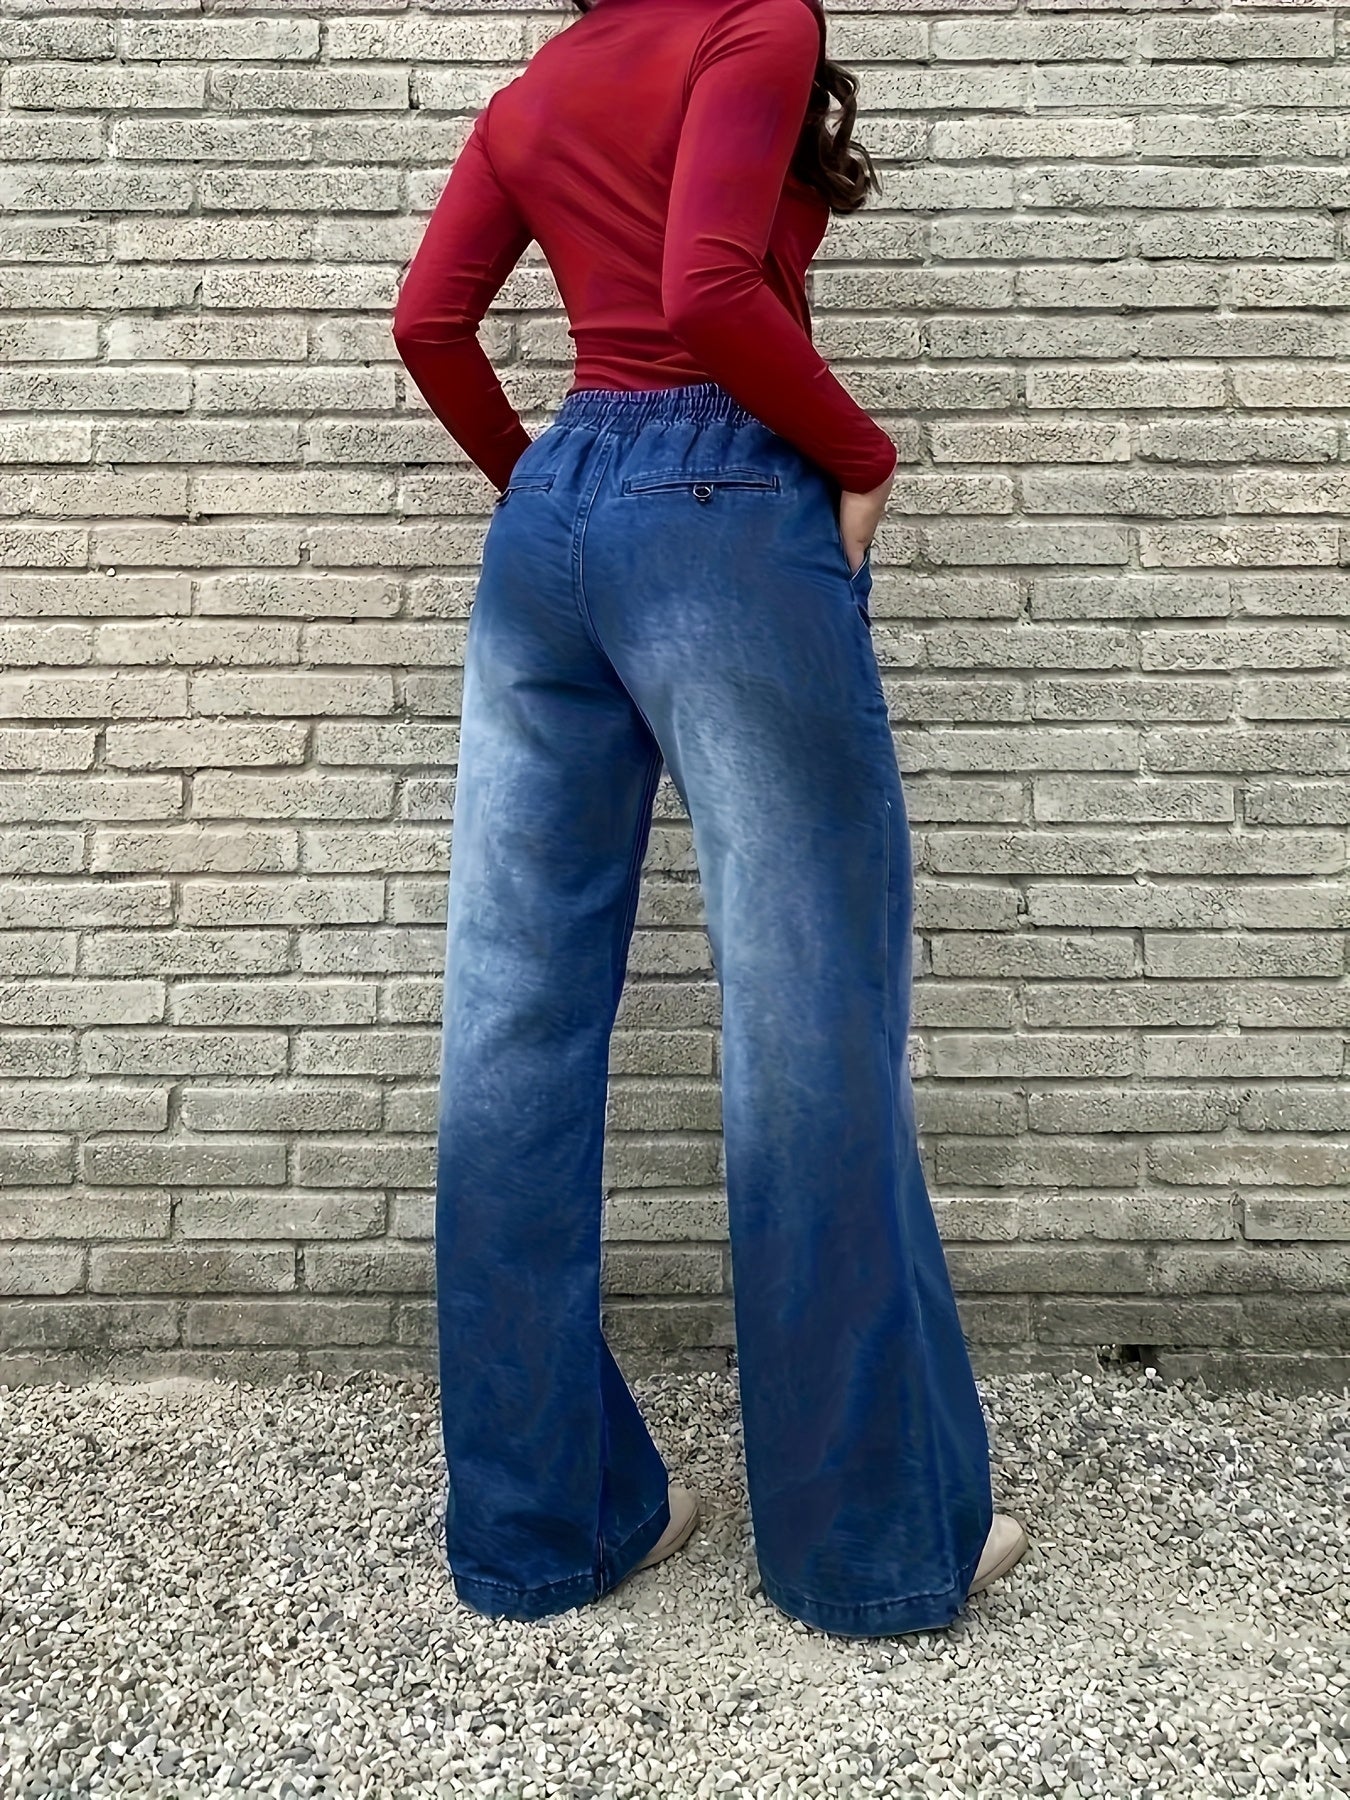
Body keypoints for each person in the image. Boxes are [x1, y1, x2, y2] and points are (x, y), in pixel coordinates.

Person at [390, 0, 1030, 1639]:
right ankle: (868, 1554)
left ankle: (546, 1531)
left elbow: (429, 324)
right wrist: (861, 453)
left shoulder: (540, 85)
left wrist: (540, 480)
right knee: (810, 1022)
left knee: (512, 1030)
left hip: (551, 526)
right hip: (728, 503)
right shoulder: (753, 24)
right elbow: (705, 288)